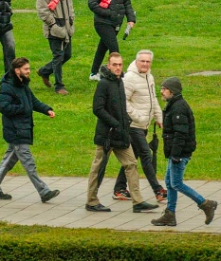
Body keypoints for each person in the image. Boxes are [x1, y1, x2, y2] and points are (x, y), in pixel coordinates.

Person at [86, 53, 157, 215]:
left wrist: (125, 123)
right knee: (98, 167)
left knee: (131, 164)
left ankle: (138, 202)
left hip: (121, 135)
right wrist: (115, 124)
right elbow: (98, 109)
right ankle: (91, 201)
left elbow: (121, 107)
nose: (118, 67)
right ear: (109, 66)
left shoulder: (120, 82)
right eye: (115, 65)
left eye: (120, 64)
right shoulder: (103, 84)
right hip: (107, 136)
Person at [0, 57, 60, 203]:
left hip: (22, 128)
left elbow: (33, 101)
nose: (29, 71)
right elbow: (3, 107)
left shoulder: (22, 84)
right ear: (17, 70)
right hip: (16, 131)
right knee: (29, 163)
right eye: (26, 69)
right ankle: (44, 191)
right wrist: (22, 108)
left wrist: (47, 110)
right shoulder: (8, 86)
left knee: (8, 161)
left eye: (29, 68)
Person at [154, 77, 215, 227]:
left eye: (164, 89)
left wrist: (175, 155)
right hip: (176, 153)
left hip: (179, 154)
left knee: (176, 183)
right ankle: (170, 214)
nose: (161, 91)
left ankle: (205, 204)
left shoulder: (178, 108)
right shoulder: (173, 104)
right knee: (169, 182)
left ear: (172, 91)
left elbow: (180, 134)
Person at [115, 50, 166, 205]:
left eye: (148, 61)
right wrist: (138, 116)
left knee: (133, 156)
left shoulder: (149, 77)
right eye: (142, 61)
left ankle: (119, 188)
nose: (145, 64)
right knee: (145, 154)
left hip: (144, 125)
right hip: (133, 125)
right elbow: (123, 102)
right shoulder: (130, 78)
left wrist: (158, 117)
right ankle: (158, 190)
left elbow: (153, 99)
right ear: (136, 62)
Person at [87, 0, 135, 80]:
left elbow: (127, 2)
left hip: (116, 23)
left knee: (102, 48)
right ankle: (117, 74)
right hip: (102, 23)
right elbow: (92, 4)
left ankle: (93, 73)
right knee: (114, 49)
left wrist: (131, 19)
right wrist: (108, 12)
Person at [35, 0, 75, 95]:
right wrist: (53, 25)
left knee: (67, 55)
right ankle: (59, 86)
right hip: (54, 29)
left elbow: (70, 5)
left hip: (66, 27)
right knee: (58, 56)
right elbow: (42, 9)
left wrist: (71, 20)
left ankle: (44, 71)